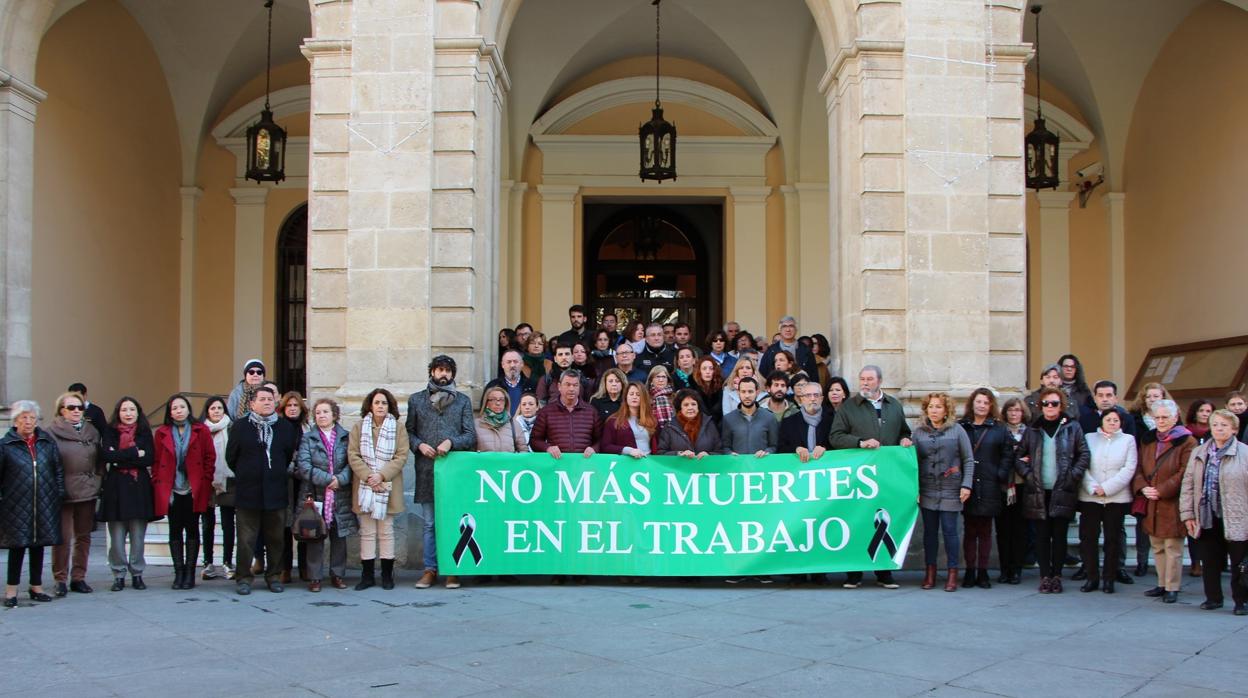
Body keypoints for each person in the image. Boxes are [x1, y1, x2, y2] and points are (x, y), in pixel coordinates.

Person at [828, 365, 913, 589]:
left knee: (885, 521)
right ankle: (854, 573)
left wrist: (905, 439)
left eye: (869, 379)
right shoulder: (849, 407)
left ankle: (884, 573)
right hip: (859, 478)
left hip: (887, 476)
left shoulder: (894, 406)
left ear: (880, 381)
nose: (865, 383)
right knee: (857, 520)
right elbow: (835, 436)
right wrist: (860, 443)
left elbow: (905, 431)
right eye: (862, 379)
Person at [407, 356, 476, 590]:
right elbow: (409, 433)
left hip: (453, 471)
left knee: (453, 521)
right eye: (439, 370)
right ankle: (430, 569)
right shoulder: (416, 400)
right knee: (429, 523)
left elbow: (470, 435)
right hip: (426, 470)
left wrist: (451, 442)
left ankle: (452, 569)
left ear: (453, 374)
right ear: (432, 372)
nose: (443, 374)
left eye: (447, 370)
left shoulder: (463, 401)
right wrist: (419, 445)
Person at [227, 386, 300, 596]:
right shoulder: (240, 427)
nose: (267, 402)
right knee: (246, 540)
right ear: (252, 404)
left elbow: (286, 455)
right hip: (248, 493)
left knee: (276, 539)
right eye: (262, 399)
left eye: (270, 399)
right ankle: (243, 578)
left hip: (275, 492)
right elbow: (231, 457)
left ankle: (274, 576)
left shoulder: (285, 428)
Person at [1017, 387, 1089, 594]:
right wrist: (1029, 475)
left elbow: (1083, 454)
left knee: (1059, 535)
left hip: (1063, 489)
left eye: (1054, 403)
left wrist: (1072, 476)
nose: (1050, 407)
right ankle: (1045, 576)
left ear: (1062, 405)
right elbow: (1018, 457)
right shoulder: (1033, 430)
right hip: (1039, 490)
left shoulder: (1072, 427)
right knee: (1041, 536)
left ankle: (1057, 575)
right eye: (1046, 403)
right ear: (1040, 406)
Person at [1181, 409, 1248, 615]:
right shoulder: (1199, 452)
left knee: (1240, 563)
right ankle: (1213, 598)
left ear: (1235, 429)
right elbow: (1188, 484)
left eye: (1224, 425)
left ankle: (1241, 601)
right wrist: (1188, 514)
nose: (1219, 428)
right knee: (1209, 560)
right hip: (1207, 515)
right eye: (1216, 424)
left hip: (1237, 515)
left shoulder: (1245, 453)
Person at [1, 401, 63, 607]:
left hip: (44, 501)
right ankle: (11, 590)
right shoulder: (6, 445)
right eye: (23, 417)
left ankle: (36, 586)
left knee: (39, 545)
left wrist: (58, 494)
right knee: (17, 546)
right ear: (15, 421)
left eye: (32, 418)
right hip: (15, 504)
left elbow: (57, 470)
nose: (28, 422)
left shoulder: (46, 442)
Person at [1133, 398, 1195, 604]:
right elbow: (1139, 466)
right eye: (1157, 417)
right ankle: (1161, 583)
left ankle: (1172, 586)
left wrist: (1161, 490)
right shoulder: (1148, 438)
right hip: (1151, 500)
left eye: (1165, 417)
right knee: (1157, 545)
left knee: (1173, 548)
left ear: (1175, 417)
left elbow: (1184, 472)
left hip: (1172, 501)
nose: (1160, 421)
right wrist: (1144, 487)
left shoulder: (1187, 441)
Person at [152, 394, 216, 590]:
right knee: (174, 529)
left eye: (182, 407)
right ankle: (178, 573)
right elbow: (156, 461)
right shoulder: (162, 432)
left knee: (192, 529)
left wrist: (205, 479)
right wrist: (158, 481)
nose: (178, 410)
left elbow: (209, 457)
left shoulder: (201, 430)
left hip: (193, 487)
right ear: (169, 412)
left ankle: (189, 573)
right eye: (174, 408)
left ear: (188, 409)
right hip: (171, 488)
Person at [913, 393, 974, 592]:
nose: (934, 410)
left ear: (946, 410)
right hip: (927, 488)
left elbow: (968, 460)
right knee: (929, 533)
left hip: (951, 488)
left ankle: (952, 573)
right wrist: (914, 489)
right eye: (931, 407)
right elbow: (911, 463)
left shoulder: (958, 431)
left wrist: (966, 485)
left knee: (950, 532)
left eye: (938, 407)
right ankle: (930, 572)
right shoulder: (919, 432)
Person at [351, 388, 410, 591]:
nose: (380, 406)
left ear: (390, 406)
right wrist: (369, 476)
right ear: (370, 405)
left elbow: (401, 456)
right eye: (377, 403)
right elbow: (353, 455)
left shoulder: (398, 428)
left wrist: (381, 475)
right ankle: (367, 575)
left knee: (386, 531)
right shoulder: (359, 427)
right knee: (367, 532)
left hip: (388, 485)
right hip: (365, 485)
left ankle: (387, 575)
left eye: (384, 403)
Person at [295, 398, 355, 591]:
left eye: (325, 412)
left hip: (340, 494)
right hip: (315, 494)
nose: (321, 415)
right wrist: (329, 480)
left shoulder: (346, 437)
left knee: (339, 536)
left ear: (334, 415)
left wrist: (341, 479)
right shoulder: (308, 438)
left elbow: (352, 463)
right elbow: (304, 466)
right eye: (318, 413)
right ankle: (315, 577)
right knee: (315, 536)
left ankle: (337, 574)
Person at [959, 388, 1014, 589]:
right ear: (972, 403)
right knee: (969, 530)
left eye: (985, 402)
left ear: (991, 406)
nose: (981, 405)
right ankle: (969, 571)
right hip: (968, 484)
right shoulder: (962, 427)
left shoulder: (999, 429)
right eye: (978, 401)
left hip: (990, 484)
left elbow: (1008, 454)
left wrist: (1000, 474)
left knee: (985, 530)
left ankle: (983, 572)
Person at [98, 396, 155, 592]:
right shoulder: (110, 432)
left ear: (138, 412)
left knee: (138, 536)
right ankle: (119, 574)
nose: (128, 414)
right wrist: (134, 453)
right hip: (115, 490)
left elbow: (148, 458)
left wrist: (120, 458)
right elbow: (107, 455)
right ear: (118, 413)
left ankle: (137, 573)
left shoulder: (145, 432)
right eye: (124, 410)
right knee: (117, 537)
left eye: (132, 410)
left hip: (139, 489)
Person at [48, 391, 101, 596]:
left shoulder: (91, 431)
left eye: (80, 407)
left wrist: (97, 480)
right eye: (71, 407)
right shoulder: (51, 432)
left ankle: (79, 577)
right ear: (62, 410)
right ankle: (60, 578)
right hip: (63, 492)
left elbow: (99, 460)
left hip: (87, 490)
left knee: (84, 536)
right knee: (62, 536)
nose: (76, 411)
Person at [1078, 410, 1138, 593]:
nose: (1112, 422)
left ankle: (1109, 579)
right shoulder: (1089, 437)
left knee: (1113, 539)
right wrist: (1093, 486)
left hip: (1116, 497)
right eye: (1108, 419)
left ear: (1121, 422)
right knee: (1089, 539)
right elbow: (1081, 462)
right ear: (1101, 421)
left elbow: (1129, 468)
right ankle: (1092, 577)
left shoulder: (1128, 440)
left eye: (1116, 420)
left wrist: (1108, 487)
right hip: (1091, 496)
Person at [1128, 381, 1172, 576]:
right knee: (1142, 522)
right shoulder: (1134, 419)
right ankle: (1142, 561)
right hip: (1144, 476)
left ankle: (1165, 568)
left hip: (1167, 479)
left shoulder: (1174, 421)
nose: (1153, 399)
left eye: (1157, 396)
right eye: (1149, 396)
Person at [276, 391, 309, 583]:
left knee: (305, 524)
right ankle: (285, 568)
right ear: (283, 408)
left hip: (304, 482)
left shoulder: (307, 428)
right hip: (284, 482)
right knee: (284, 527)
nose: (293, 408)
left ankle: (304, 567)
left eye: (296, 405)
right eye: (289, 405)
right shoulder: (278, 428)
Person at [200, 395, 234, 580]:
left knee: (228, 524)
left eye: (219, 408)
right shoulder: (201, 430)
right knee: (207, 524)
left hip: (228, 479)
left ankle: (228, 562)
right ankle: (208, 563)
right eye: (212, 408)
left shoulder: (231, 427)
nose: (216, 411)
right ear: (207, 411)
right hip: (207, 481)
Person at [997, 398, 1030, 584]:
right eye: (1010, 410)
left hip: (1022, 485)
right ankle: (1004, 569)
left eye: (1017, 410)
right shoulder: (1000, 431)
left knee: (1020, 530)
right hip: (1003, 486)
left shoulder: (1030, 433)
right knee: (1003, 530)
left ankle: (1016, 568)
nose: (1014, 413)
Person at [719, 377, 778, 458]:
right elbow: (725, 447)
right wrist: (729, 454)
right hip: (738, 467)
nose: (747, 395)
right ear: (738, 393)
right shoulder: (728, 419)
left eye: (750, 391)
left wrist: (767, 452)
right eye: (743, 392)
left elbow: (774, 446)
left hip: (761, 466)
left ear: (757, 392)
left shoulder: (769, 417)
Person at [778, 380, 834, 463]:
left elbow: (838, 445)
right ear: (802, 399)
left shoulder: (832, 421)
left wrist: (824, 448)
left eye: (816, 395)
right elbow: (780, 448)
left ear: (821, 399)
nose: (812, 399)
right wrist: (797, 449)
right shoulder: (788, 423)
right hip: (797, 470)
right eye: (808, 395)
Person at [600, 382, 659, 458]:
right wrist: (628, 450)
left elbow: (658, 446)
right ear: (626, 397)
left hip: (648, 463)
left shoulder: (652, 420)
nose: (634, 397)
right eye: (631, 394)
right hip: (627, 464)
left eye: (638, 394)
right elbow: (605, 446)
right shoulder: (613, 421)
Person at [657, 389, 721, 458]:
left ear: (698, 406)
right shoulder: (670, 426)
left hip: (705, 467)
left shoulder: (709, 424)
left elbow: (720, 451)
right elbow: (661, 453)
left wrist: (709, 455)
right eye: (686, 405)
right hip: (679, 468)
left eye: (693, 404)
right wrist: (679, 454)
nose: (690, 408)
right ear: (680, 407)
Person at [484, 349, 536, 416]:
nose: (512, 365)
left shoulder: (532, 385)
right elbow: (484, 410)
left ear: (522, 364)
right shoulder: (493, 385)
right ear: (503, 365)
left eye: (515, 361)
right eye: (509, 362)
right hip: (499, 425)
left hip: (524, 425)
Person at [476, 386, 524, 453]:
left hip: (508, 463)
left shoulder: (514, 425)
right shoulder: (476, 424)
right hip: (484, 463)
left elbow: (523, 451)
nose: (498, 403)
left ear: (506, 402)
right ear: (486, 402)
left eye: (501, 400)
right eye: (493, 399)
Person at [691, 355, 724, 426]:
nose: (708, 372)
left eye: (711, 369)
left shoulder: (722, 388)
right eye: (704, 369)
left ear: (715, 371)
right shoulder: (693, 389)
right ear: (699, 371)